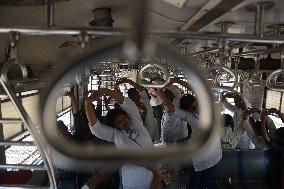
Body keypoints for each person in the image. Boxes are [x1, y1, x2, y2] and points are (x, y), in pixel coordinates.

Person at [84, 88, 162, 189]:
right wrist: (87, 104)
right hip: (133, 182)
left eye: (123, 118)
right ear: (115, 126)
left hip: (154, 176)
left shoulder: (137, 123)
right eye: (119, 122)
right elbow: (96, 128)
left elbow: (126, 104)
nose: (123, 122)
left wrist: (108, 91)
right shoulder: (115, 135)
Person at [260, 108, 284, 189]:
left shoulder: (277, 145)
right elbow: (266, 137)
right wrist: (277, 112)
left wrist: (263, 118)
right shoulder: (277, 144)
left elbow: (266, 137)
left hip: (278, 172)